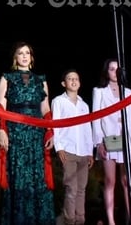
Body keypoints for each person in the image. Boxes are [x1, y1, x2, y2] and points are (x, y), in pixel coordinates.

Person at [0, 41, 56, 224]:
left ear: (31, 57)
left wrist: (50, 132)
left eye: (27, 53)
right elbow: (1, 106)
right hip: (15, 132)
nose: (24, 56)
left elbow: (45, 108)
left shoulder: (41, 80)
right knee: (18, 176)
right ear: (15, 57)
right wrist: (2, 130)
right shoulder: (6, 78)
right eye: (20, 53)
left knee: (37, 176)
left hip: (36, 134)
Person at [92, 58, 131, 225]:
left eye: (118, 69)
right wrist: (98, 142)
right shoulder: (99, 92)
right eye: (112, 69)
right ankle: (111, 220)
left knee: (127, 181)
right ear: (107, 72)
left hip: (127, 140)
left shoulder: (128, 92)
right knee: (110, 181)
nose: (115, 72)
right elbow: (96, 118)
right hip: (109, 139)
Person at [52, 68, 95, 225]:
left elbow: (87, 129)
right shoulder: (58, 101)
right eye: (70, 79)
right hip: (68, 150)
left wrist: (90, 152)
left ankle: (80, 219)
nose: (74, 81)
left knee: (81, 189)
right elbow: (55, 124)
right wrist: (59, 147)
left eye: (76, 78)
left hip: (83, 151)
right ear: (64, 83)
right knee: (71, 188)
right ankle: (69, 220)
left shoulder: (84, 105)